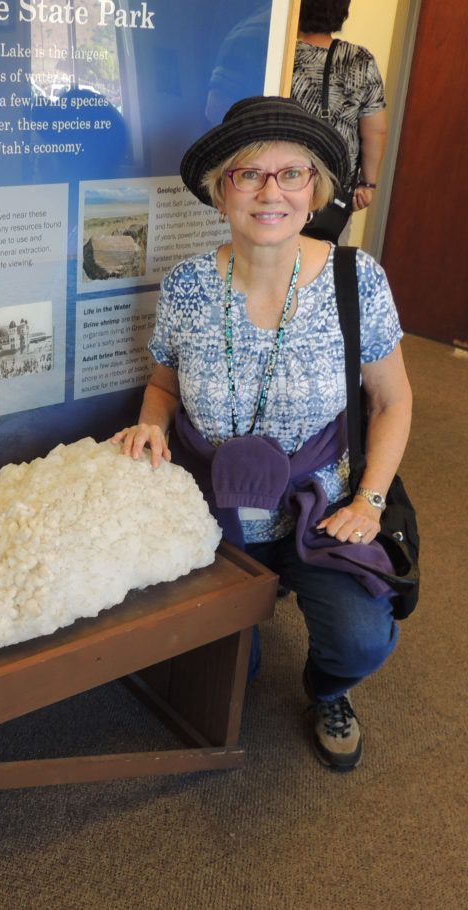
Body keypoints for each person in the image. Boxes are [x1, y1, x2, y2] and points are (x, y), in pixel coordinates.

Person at [113, 96, 412, 771]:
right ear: (222, 192)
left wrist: (368, 501)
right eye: (249, 175)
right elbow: (162, 385)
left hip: (323, 509)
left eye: (291, 174)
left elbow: (393, 401)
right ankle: (241, 623)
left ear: (316, 192)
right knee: (224, 674)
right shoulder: (188, 285)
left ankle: (328, 691)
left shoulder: (355, 280)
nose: (269, 191)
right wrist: (150, 426)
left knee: (361, 637)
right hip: (211, 512)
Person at [291, 0, 388, 223]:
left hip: (281, 184)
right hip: (333, 194)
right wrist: (367, 184)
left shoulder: (281, 55)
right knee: (327, 255)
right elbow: (376, 131)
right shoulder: (359, 61)